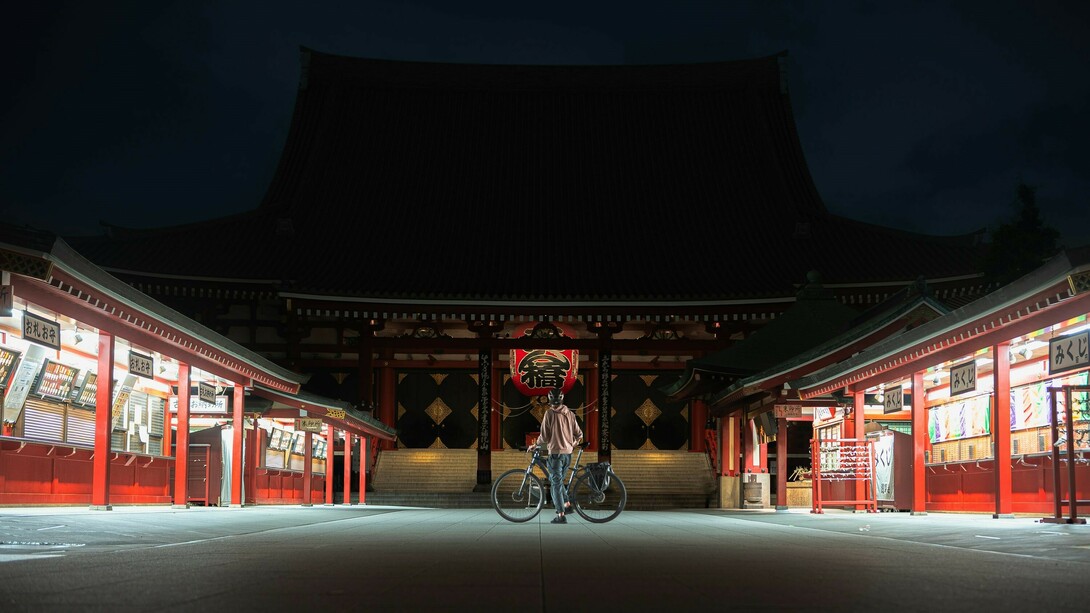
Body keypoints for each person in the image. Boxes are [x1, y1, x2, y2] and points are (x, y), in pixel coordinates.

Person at [536, 387, 583, 524]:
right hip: (568, 455)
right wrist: (571, 444)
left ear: (550, 400)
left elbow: (544, 436)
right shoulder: (570, 414)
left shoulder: (549, 414)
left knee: (555, 484)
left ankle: (561, 515)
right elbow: (579, 435)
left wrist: (535, 445)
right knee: (558, 480)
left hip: (556, 455)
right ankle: (567, 505)